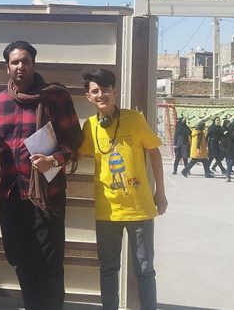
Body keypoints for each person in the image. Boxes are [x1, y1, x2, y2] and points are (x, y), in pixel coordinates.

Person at [0, 41, 82, 310]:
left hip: (47, 197)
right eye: (15, 62)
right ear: (7, 68)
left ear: (34, 64)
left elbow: (75, 139)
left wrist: (54, 160)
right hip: (13, 196)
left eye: (25, 61)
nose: (21, 66)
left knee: (49, 264)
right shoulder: (1, 101)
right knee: (22, 261)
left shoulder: (55, 97)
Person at [79, 68, 166, 310]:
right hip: (107, 211)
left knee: (145, 268)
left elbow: (154, 152)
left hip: (140, 209)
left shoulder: (134, 119)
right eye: (95, 91)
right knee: (108, 269)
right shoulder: (90, 126)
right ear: (88, 96)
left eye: (105, 89)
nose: (101, 95)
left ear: (115, 92)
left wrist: (160, 192)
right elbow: (76, 153)